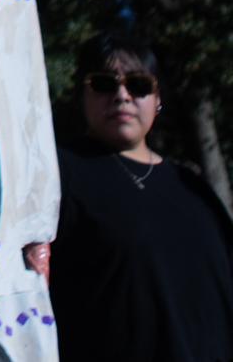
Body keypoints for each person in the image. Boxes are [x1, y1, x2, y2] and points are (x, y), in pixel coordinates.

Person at [48, 29, 233, 362]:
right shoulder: (57, 175)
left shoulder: (192, 186)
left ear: (157, 98)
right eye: (104, 84)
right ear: (82, 95)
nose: (122, 95)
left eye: (138, 85)